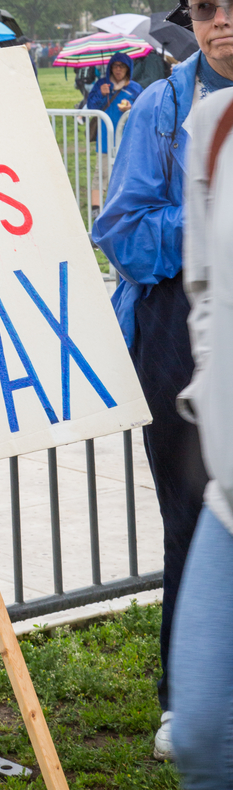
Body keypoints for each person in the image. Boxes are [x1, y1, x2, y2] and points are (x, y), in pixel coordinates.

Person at [93, 0, 233, 760]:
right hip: (176, 329)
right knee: (193, 518)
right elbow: (123, 232)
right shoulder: (160, 107)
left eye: (232, 2)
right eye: (206, 8)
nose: (223, 22)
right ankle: (186, 699)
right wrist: (211, 225)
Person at [170, 57, 233, 786]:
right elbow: (207, 286)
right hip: (230, 496)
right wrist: (213, 392)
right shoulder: (214, 127)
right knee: (200, 735)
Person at [86, 52, 142, 216]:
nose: (118, 70)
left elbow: (143, 108)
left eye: (122, 66)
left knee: (126, 174)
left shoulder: (135, 88)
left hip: (128, 140)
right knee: (101, 173)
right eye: (116, 66)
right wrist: (101, 94)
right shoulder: (101, 85)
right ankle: (96, 213)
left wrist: (131, 107)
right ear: (110, 67)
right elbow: (91, 105)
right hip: (105, 139)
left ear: (128, 69)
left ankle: (122, 209)